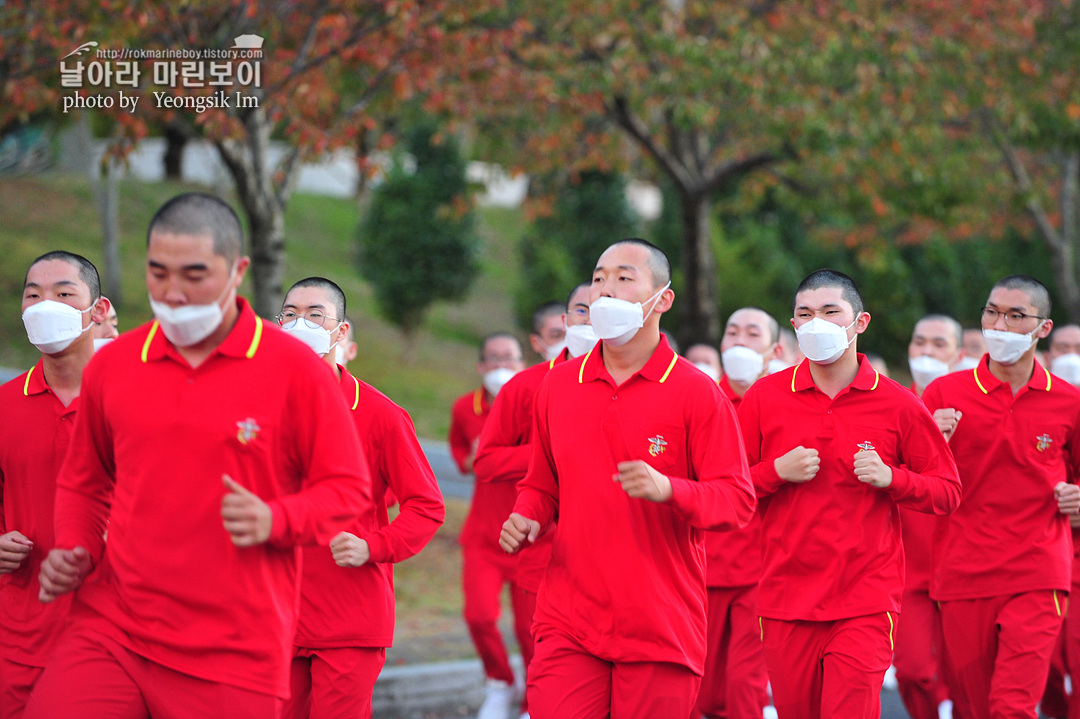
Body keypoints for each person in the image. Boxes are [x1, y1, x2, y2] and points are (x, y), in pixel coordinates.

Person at [27, 193, 373, 719]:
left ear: (237, 272)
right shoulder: (115, 365)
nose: (174, 292)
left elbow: (347, 491)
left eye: (194, 274)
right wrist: (77, 547)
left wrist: (276, 518)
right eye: (158, 273)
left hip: (233, 651)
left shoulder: (294, 372)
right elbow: (85, 481)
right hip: (114, 629)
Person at [501, 238, 755, 719]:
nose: (606, 290)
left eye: (623, 278)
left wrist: (669, 489)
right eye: (598, 279)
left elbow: (737, 501)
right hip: (568, 619)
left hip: (660, 624)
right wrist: (526, 516)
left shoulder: (697, 393)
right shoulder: (558, 385)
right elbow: (540, 484)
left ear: (662, 299)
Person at [738, 269, 961, 719]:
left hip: (865, 601)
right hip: (786, 599)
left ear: (860, 322)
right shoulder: (765, 398)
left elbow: (947, 492)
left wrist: (893, 478)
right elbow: (729, 489)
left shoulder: (897, 403)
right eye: (804, 314)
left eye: (829, 312)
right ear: (794, 325)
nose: (815, 323)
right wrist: (774, 472)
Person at [277, 277, 445, 719]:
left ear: (341, 331)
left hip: (349, 618)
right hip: (275, 614)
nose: (301, 323)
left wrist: (376, 546)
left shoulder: (381, 416)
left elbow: (427, 505)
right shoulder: (257, 408)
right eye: (290, 314)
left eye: (315, 315)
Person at [923, 275, 1080, 719]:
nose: (1000, 325)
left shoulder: (1069, 402)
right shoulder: (943, 395)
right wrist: (933, 443)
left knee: (1011, 707)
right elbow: (917, 483)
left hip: (1037, 570)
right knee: (975, 707)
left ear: (1042, 328)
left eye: (1015, 316)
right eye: (992, 312)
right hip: (963, 571)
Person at [471, 282, 594, 719]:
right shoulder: (527, 386)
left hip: (613, 560)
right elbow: (484, 462)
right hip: (541, 551)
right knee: (542, 654)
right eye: (583, 309)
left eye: (605, 309)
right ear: (565, 322)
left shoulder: (644, 387)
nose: (592, 318)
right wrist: (549, 452)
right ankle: (518, 696)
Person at [0, 252, 112, 719]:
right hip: (21, 638)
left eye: (64, 294)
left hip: (115, 639)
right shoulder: (4, 405)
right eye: (33, 295)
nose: (45, 305)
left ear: (99, 310)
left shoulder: (134, 402)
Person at [694, 307, 780, 719]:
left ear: (774, 349)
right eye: (732, 333)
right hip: (704, 563)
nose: (741, 341)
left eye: (752, 333)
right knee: (703, 692)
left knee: (745, 686)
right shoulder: (700, 398)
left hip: (767, 568)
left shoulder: (787, 403)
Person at [894, 313, 964, 719]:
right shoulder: (893, 403)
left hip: (963, 564)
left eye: (939, 344)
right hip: (907, 567)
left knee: (967, 677)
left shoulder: (973, 408)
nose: (927, 351)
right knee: (913, 670)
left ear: (958, 353)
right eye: (920, 342)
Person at [448, 334, 525, 475]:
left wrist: (495, 453)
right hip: (486, 493)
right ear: (480, 366)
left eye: (508, 357)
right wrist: (474, 460)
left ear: (522, 365)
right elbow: (458, 447)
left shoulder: (538, 402)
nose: (501, 365)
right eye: (493, 358)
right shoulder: (464, 406)